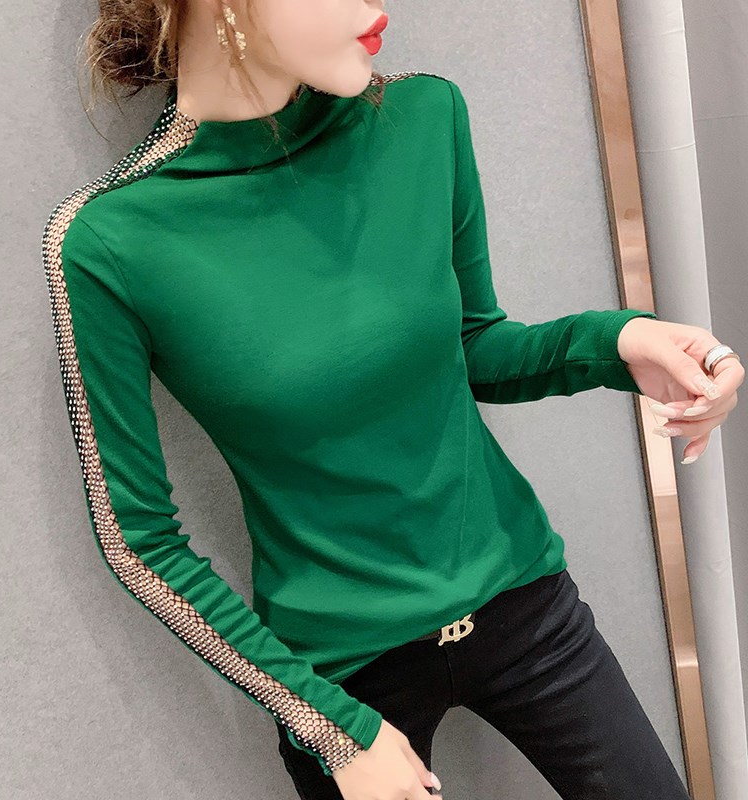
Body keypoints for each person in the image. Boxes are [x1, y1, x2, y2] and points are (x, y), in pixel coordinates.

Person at [41, 2, 743, 798]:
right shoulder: (108, 240)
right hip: (342, 679)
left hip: (523, 599)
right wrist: (327, 728)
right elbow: (137, 538)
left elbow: (473, 346)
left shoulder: (423, 117)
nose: (379, 7)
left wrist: (620, 341)